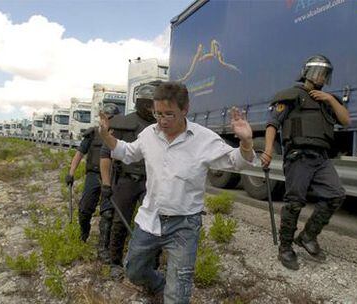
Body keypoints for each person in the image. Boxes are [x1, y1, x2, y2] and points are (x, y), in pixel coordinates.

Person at [99, 81, 255, 303]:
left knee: (178, 292)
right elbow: (127, 152)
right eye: (157, 114)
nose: (162, 121)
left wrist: (246, 143)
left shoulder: (204, 139)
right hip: (149, 219)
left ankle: (172, 290)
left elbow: (236, 162)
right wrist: (106, 137)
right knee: (133, 270)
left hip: (184, 225)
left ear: (185, 109)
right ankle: (159, 284)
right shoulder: (149, 134)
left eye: (169, 114)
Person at [260, 55, 350, 270]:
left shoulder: (327, 101)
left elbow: (346, 121)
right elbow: (273, 124)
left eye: (324, 74)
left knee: (336, 194)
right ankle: (285, 247)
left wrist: (329, 99)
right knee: (295, 202)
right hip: (298, 157)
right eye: (317, 72)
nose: (321, 77)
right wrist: (268, 150)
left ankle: (308, 236)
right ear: (307, 72)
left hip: (321, 158)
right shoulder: (291, 96)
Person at [100, 81, 160, 274]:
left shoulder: (161, 126)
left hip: (151, 182)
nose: (151, 109)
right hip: (126, 181)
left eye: (154, 104)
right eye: (148, 104)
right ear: (140, 103)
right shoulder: (121, 123)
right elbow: (106, 154)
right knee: (120, 222)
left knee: (153, 223)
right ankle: (115, 263)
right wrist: (106, 184)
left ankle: (150, 265)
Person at [65, 103, 120, 262]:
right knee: (84, 209)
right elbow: (79, 153)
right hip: (93, 176)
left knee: (108, 213)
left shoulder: (121, 133)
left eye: (110, 118)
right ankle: (83, 235)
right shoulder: (92, 134)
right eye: (104, 117)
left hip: (111, 177)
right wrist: (71, 173)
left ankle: (103, 248)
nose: (107, 120)